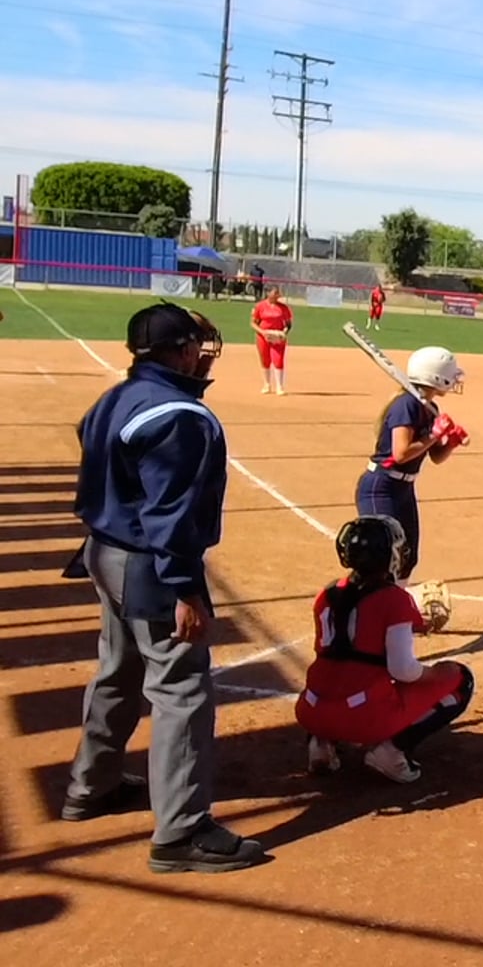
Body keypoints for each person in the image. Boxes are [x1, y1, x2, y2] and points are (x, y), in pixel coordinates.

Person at [64, 303, 269, 874]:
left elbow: (89, 437)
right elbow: (169, 516)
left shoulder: (119, 396)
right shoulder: (180, 416)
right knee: (181, 688)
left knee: (119, 670)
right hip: (148, 564)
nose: (202, 355)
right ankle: (181, 833)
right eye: (195, 346)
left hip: (104, 551)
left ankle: (91, 786)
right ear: (179, 351)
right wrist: (186, 590)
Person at [297, 516, 476, 784]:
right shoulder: (395, 599)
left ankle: (320, 744)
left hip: (311, 709)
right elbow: (403, 670)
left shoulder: (328, 593)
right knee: (460, 679)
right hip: (360, 717)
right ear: (389, 555)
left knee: (338, 673)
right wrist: (436, 672)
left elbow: (353, 639)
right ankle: (391, 752)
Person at [355, 346, 469, 583]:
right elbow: (401, 453)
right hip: (381, 487)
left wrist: (450, 442)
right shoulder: (406, 404)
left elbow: (435, 456)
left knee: (407, 557)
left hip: (404, 489)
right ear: (436, 376)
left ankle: (397, 603)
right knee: (382, 555)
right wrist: (434, 434)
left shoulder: (430, 408)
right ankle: (367, 602)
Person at [250, 286, 293, 395]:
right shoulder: (260, 306)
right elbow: (253, 323)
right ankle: (267, 384)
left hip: (277, 336)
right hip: (263, 336)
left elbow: (288, 324)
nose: (277, 295)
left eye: (278, 293)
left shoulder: (283, 308)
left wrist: (283, 333)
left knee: (278, 359)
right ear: (268, 293)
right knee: (265, 360)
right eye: (275, 293)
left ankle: (279, 386)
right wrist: (263, 332)